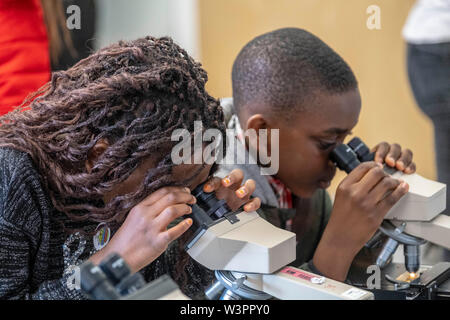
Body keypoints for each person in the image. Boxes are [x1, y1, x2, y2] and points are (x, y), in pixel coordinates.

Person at [0, 36, 260, 299]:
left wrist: (202, 238)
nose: (179, 200)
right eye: (171, 188)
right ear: (102, 158)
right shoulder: (12, 181)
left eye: (194, 188)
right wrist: (114, 262)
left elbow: (173, 292)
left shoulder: (131, 188)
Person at [217, 28, 416, 282]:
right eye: (326, 142)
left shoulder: (294, 179)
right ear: (262, 132)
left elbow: (354, 277)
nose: (340, 158)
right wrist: (338, 245)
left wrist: (380, 215)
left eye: (345, 139)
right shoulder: (219, 201)